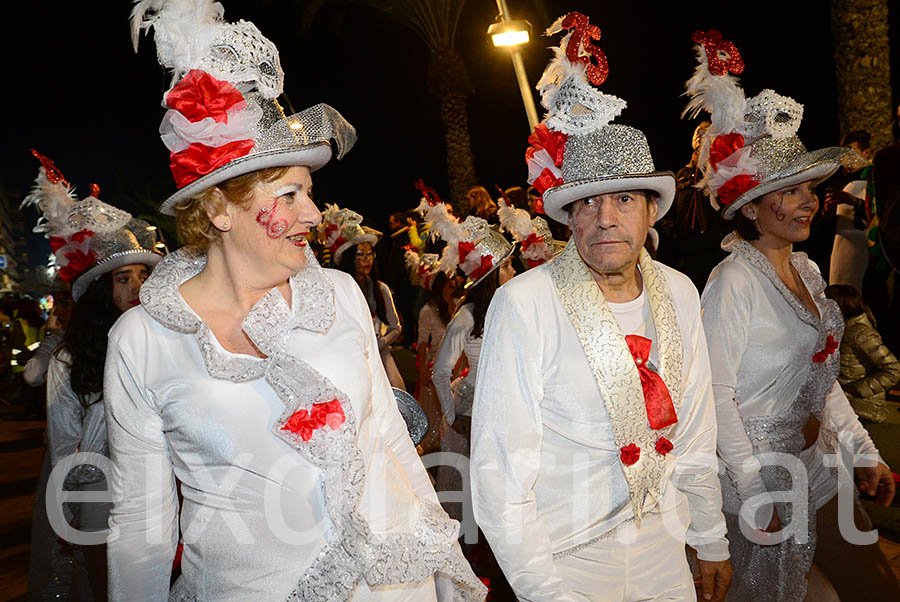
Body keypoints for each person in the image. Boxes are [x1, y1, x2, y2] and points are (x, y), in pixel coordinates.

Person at [108, 4, 486, 601]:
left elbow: (389, 438)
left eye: (309, 193)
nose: (312, 215)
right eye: (289, 194)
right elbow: (141, 527)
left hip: (393, 586)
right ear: (217, 209)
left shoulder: (337, 295)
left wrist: (442, 573)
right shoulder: (143, 340)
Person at [471, 16, 731, 601]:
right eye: (587, 203)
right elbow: (499, 475)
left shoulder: (680, 291)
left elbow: (694, 428)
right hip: (567, 563)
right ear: (567, 218)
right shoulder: (524, 304)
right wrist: (545, 592)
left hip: (666, 551)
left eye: (623, 199)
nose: (607, 218)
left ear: (649, 210)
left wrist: (711, 536)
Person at [686, 29, 900, 601]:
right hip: (759, 476)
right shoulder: (732, 284)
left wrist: (864, 454)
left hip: (820, 466)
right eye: (792, 190)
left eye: (810, 187)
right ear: (751, 207)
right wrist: (755, 486)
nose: (810, 200)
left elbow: (822, 379)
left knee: (872, 585)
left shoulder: (806, 270)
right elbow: (715, 394)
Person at [22, 150, 162, 601]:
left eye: (142, 275)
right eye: (123, 279)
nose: (136, 288)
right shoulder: (69, 357)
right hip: (93, 487)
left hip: (153, 487)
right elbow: (67, 447)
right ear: (103, 290)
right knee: (98, 578)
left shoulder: (159, 342)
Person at [325, 205, 407, 391]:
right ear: (349, 258)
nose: (366, 260)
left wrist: (381, 343)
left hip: (382, 359)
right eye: (360, 255)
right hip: (351, 360)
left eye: (369, 254)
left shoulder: (381, 289)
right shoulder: (339, 291)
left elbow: (395, 327)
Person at [825, 284, 900, 423]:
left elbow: (893, 370)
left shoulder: (861, 334)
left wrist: (855, 389)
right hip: (842, 403)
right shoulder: (839, 331)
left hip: (861, 406)